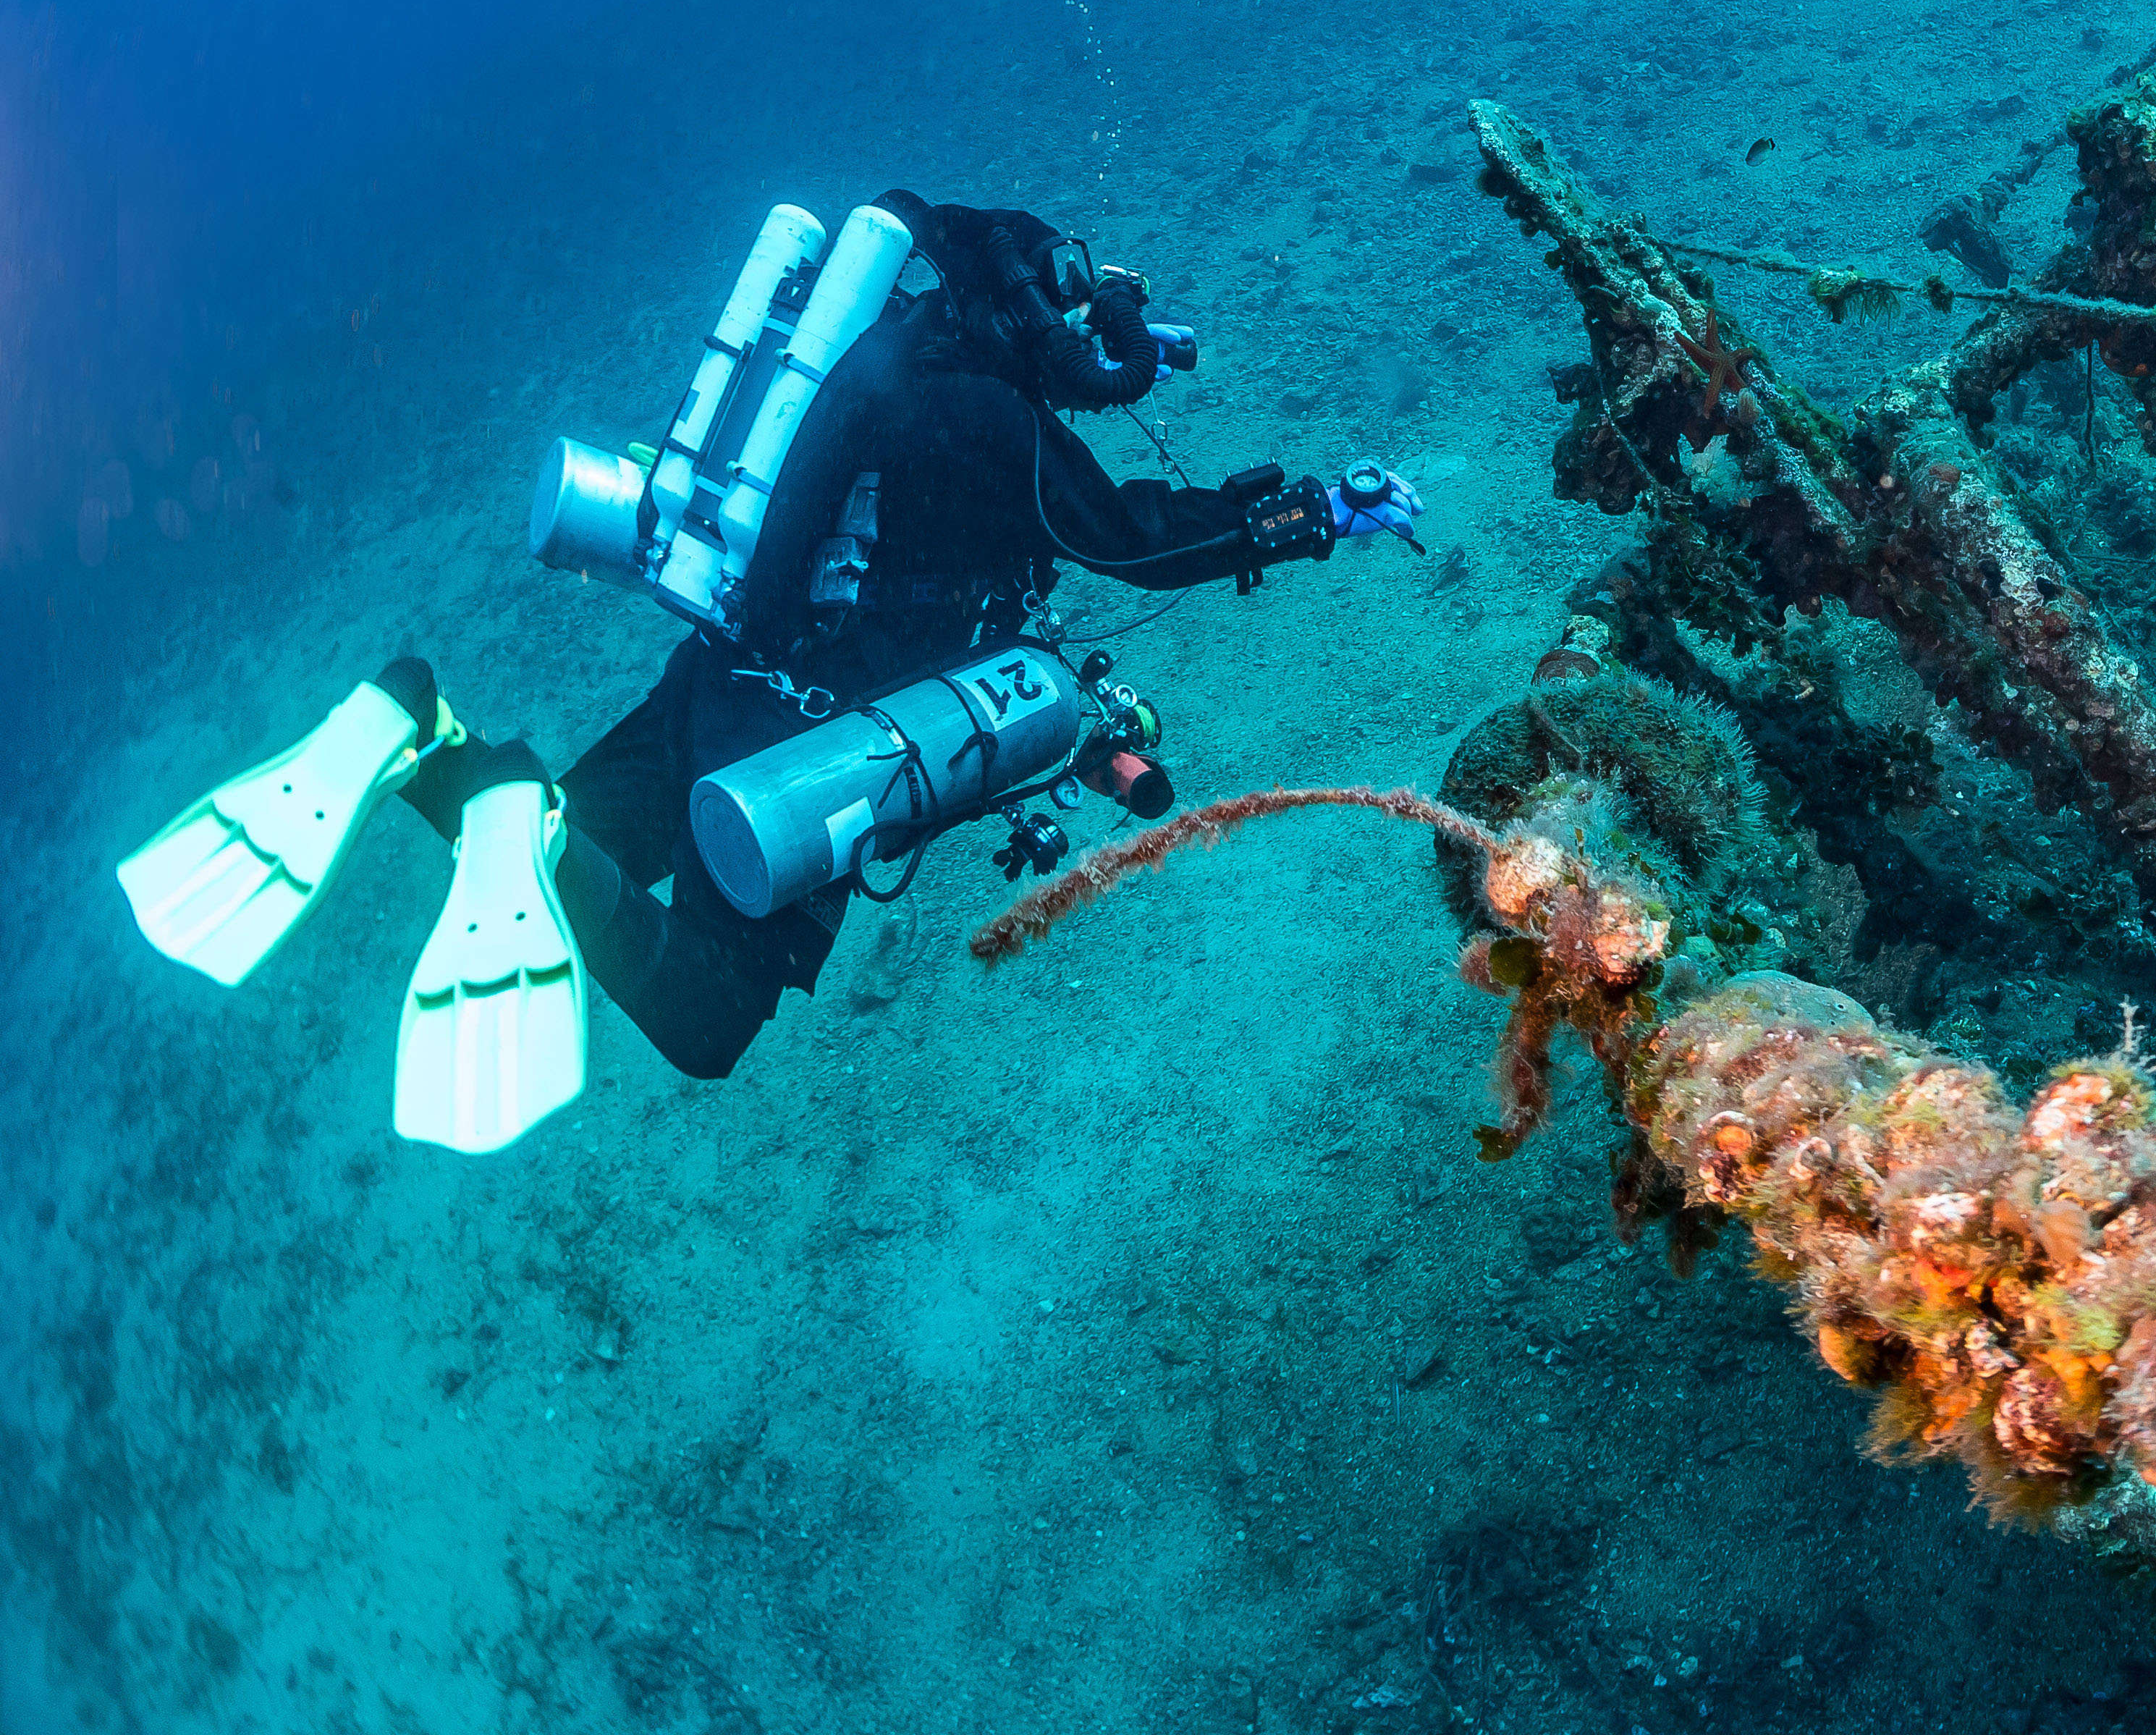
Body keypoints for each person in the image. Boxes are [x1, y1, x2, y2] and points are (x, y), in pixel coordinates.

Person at [116, 192, 1416, 1150]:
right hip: (804, 751)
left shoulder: (863, 371)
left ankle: (426, 730)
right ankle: (515, 812)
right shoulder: (984, 414)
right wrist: (1310, 516)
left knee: (563, 868)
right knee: (708, 1026)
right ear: (1016, 305)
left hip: (712, 676)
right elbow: (1126, 542)